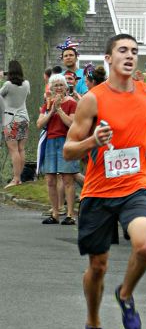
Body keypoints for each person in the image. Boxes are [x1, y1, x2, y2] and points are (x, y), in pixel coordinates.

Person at [63, 33, 146, 329]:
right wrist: (92, 141)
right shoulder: (93, 99)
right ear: (108, 58)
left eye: (135, 51)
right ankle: (93, 323)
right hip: (98, 192)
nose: (130, 56)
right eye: (122, 50)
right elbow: (68, 150)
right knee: (98, 267)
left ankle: (125, 294)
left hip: (134, 186)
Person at [37, 74, 79, 225]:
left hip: (66, 141)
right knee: (50, 179)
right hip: (50, 142)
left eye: (61, 85)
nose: (59, 88)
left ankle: (70, 215)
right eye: (55, 86)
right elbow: (39, 124)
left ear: (66, 88)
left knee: (67, 178)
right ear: (51, 88)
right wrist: (52, 110)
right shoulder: (47, 104)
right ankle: (54, 213)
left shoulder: (72, 103)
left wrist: (60, 110)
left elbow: (72, 123)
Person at [0, 60, 30, 188]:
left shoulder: (7, 84)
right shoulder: (26, 84)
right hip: (24, 118)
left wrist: (1, 79)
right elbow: (27, 94)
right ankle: (19, 178)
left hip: (10, 120)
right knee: (21, 149)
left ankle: (16, 178)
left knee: (13, 150)